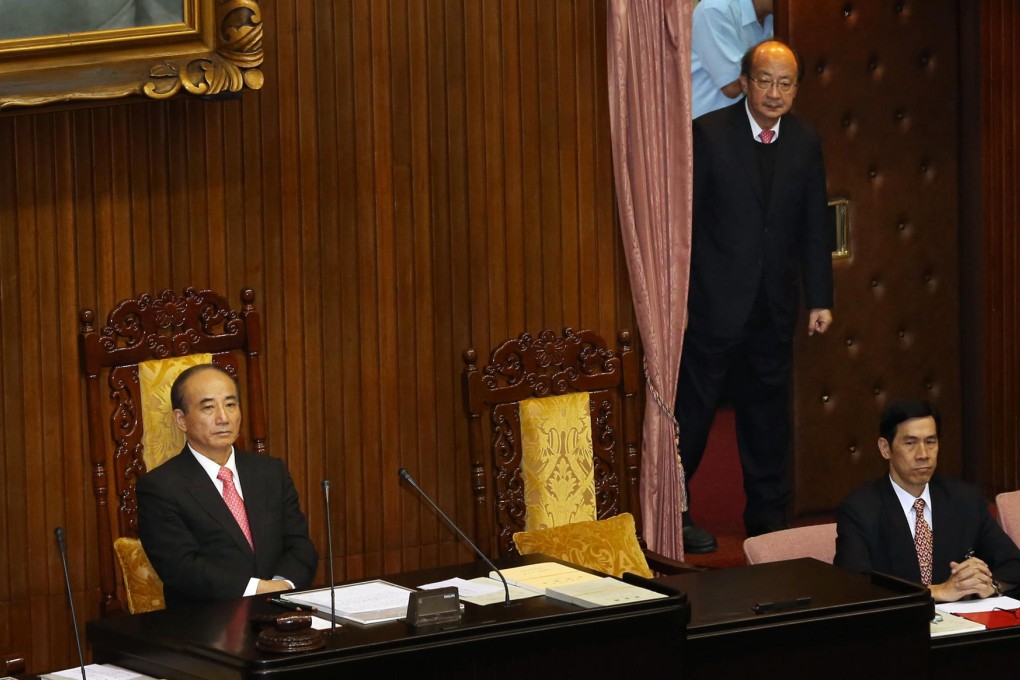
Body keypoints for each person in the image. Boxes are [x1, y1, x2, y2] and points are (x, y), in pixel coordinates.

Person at [675, 39, 834, 553]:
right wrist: (683, 295)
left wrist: (820, 298)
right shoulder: (709, 134)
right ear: (744, 82)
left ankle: (767, 518)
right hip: (713, 303)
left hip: (772, 305)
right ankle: (672, 511)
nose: (774, 92)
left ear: (796, 89)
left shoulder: (806, 141)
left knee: (767, 415)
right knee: (694, 412)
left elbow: (814, 224)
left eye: (785, 83)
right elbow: (688, 224)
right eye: (764, 80)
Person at [137, 364, 318, 608]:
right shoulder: (161, 487)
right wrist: (257, 589)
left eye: (230, 405)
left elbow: (300, 545)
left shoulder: (270, 471)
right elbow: (182, 568)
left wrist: (282, 585)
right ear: (181, 420)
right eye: (209, 407)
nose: (223, 418)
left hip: (281, 610)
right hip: (207, 622)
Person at [835, 400, 1020, 602]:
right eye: (910, 443)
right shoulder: (859, 510)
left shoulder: (965, 500)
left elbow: (1013, 565)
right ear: (885, 448)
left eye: (930, 442)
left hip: (964, 628)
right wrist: (939, 591)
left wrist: (989, 586)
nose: (923, 455)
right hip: (900, 628)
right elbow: (854, 586)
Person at [691, 0, 773, 119]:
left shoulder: (776, 17)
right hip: (708, 125)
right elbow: (732, 87)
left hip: (746, 125)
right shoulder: (715, 9)